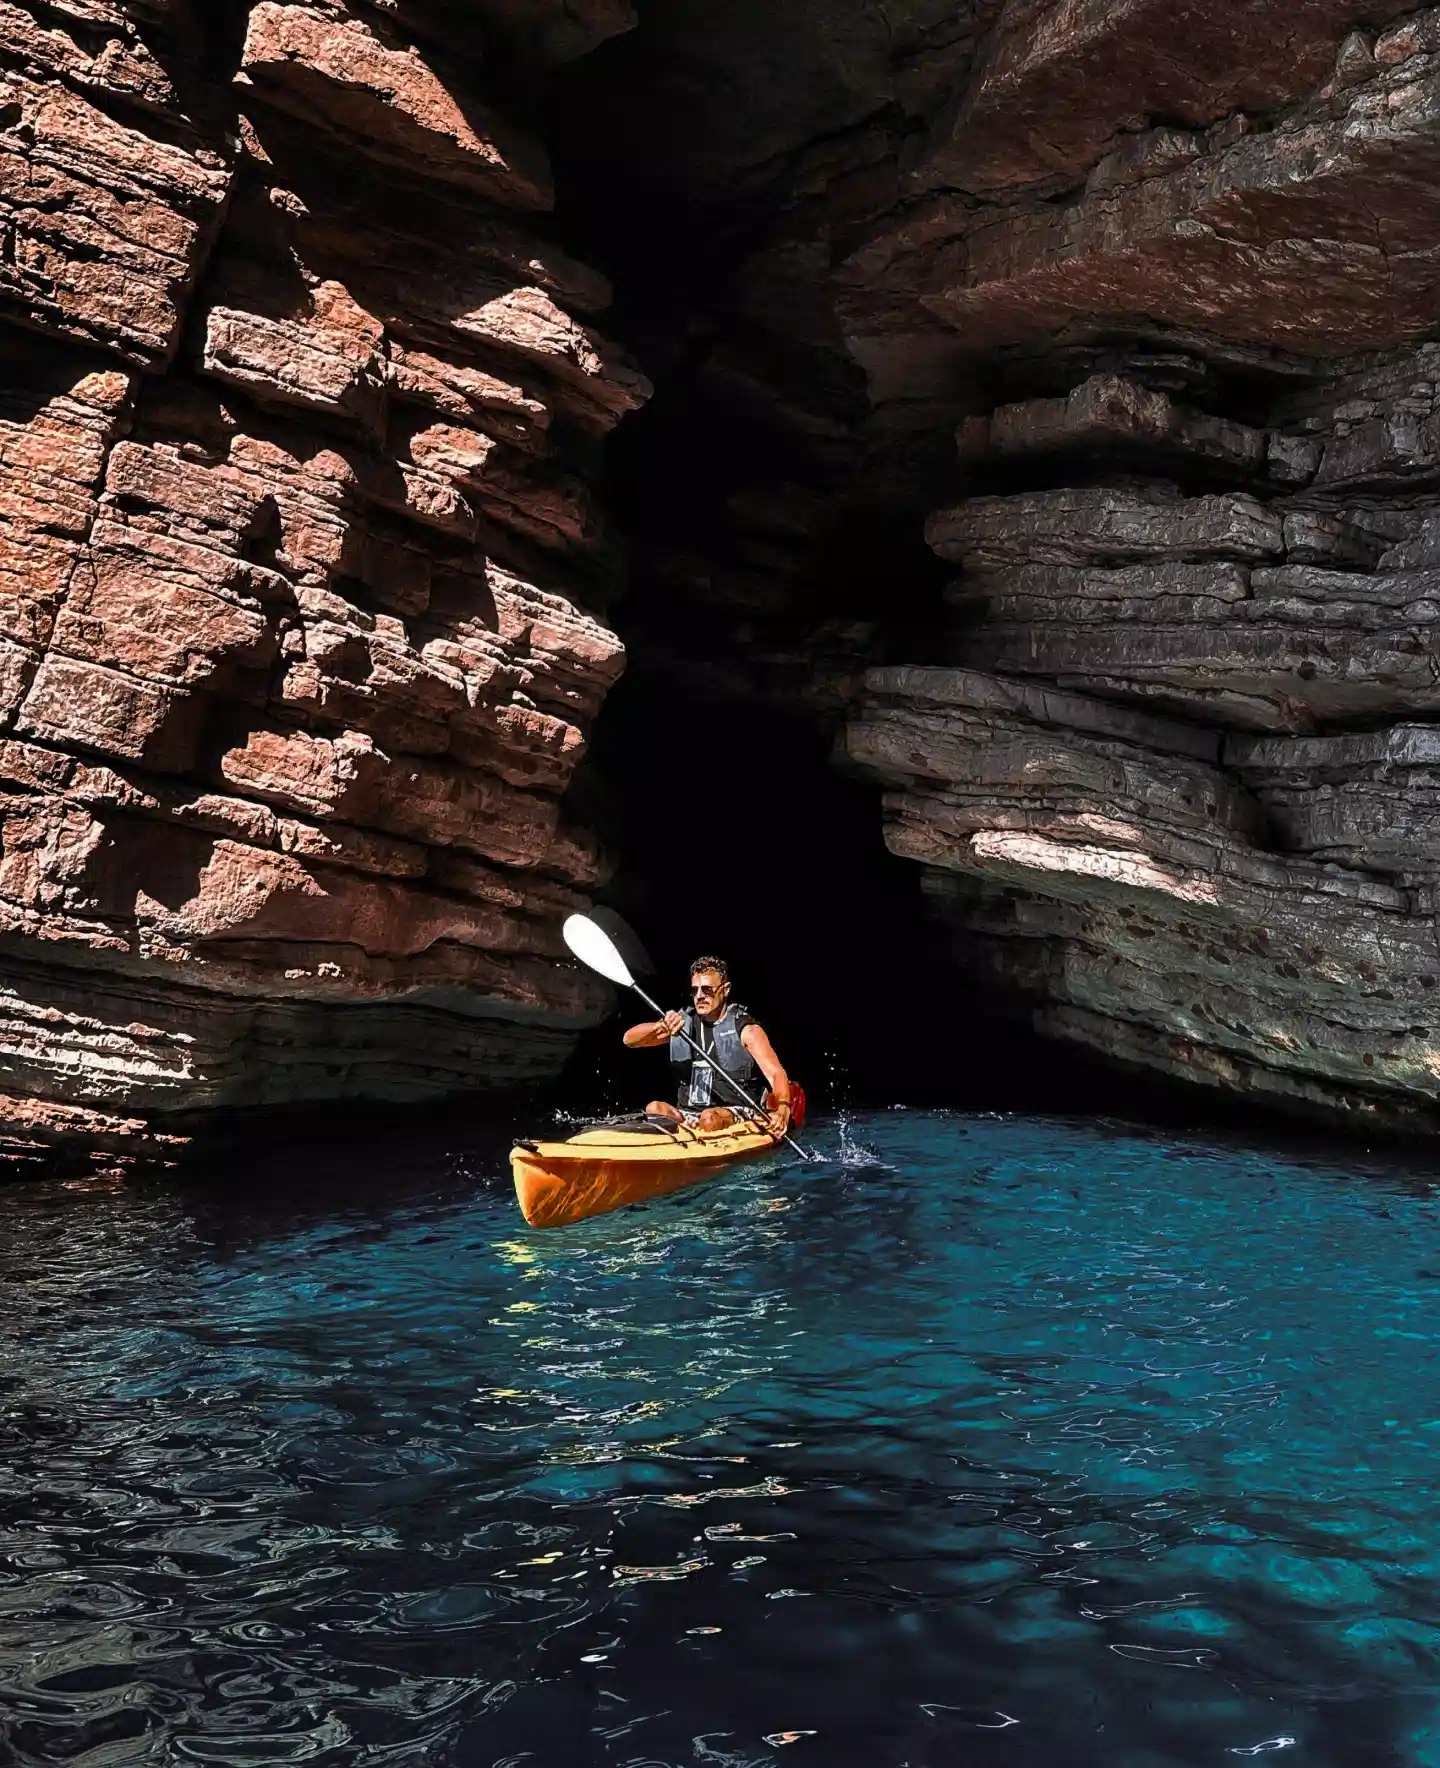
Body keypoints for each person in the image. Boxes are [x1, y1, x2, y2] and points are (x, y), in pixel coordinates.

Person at [623, 956, 794, 1140]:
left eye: (707, 990)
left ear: (725, 990)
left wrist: (783, 1107)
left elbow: (776, 1073)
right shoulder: (681, 1025)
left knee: (709, 1118)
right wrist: (661, 1026)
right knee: (654, 1108)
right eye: (694, 990)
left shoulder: (746, 1029)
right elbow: (629, 1040)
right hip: (690, 1114)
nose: (699, 996)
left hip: (738, 1111)